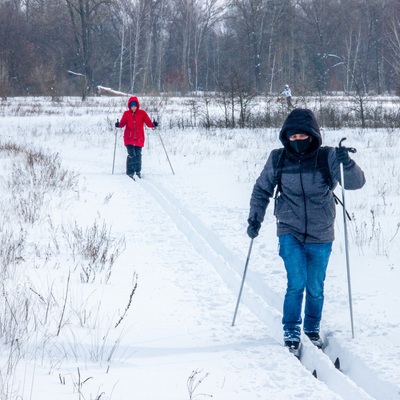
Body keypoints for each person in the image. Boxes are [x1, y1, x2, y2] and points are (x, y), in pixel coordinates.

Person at [246, 108, 365, 356]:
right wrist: (255, 218)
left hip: (321, 232)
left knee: (315, 286)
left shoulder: (328, 157)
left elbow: (356, 183)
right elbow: (261, 190)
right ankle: (291, 329)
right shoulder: (278, 159)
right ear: (285, 137)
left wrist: (347, 163)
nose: (298, 141)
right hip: (289, 229)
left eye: (303, 137)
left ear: (313, 135)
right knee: (296, 282)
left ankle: (311, 328)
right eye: (293, 137)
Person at [115, 96, 158, 179]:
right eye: (132, 106)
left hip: (139, 138)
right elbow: (122, 124)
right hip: (129, 138)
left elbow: (149, 123)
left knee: (138, 155)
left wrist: (153, 124)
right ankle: (130, 172)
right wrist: (118, 125)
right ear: (129, 106)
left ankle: (137, 171)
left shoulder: (142, 113)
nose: (133, 108)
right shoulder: (126, 114)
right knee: (131, 154)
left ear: (137, 106)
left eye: (135, 106)